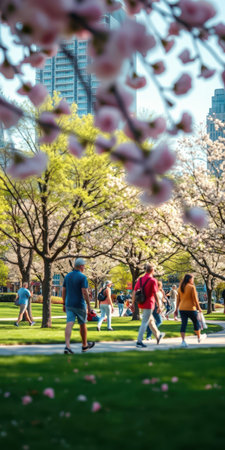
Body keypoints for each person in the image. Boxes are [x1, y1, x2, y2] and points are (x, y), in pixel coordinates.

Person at [62, 258, 95, 354]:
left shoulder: (67, 276)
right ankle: (84, 345)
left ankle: (67, 346)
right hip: (79, 304)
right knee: (83, 324)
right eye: (84, 265)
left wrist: (64, 303)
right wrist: (89, 305)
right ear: (81, 266)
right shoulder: (82, 277)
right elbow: (84, 292)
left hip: (69, 304)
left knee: (69, 323)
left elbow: (64, 290)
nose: (84, 267)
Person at [132, 264, 165, 348]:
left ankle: (158, 335)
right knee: (145, 322)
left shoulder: (140, 279)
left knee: (151, 321)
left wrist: (133, 303)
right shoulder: (153, 280)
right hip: (149, 303)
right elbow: (155, 293)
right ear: (152, 271)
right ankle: (139, 341)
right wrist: (159, 305)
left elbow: (134, 291)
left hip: (141, 303)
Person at [174, 274, 207, 348]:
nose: (193, 280)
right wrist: (199, 308)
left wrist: (176, 309)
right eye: (192, 279)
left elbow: (178, 300)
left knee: (184, 324)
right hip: (191, 308)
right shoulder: (192, 287)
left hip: (182, 308)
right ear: (189, 279)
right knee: (196, 322)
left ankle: (183, 341)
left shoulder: (180, 288)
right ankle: (199, 337)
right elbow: (195, 299)